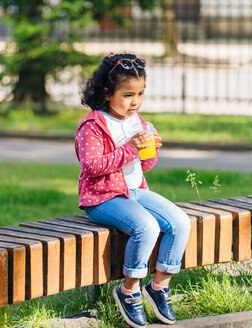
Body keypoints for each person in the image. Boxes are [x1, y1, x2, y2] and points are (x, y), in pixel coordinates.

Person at [75, 53, 191, 327]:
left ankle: (159, 286)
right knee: (147, 227)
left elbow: (144, 165)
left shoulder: (137, 121)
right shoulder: (92, 125)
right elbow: (91, 167)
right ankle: (129, 290)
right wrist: (129, 150)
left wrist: (151, 149)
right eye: (128, 95)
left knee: (180, 222)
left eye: (140, 94)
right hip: (102, 197)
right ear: (106, 93)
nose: (135, 101)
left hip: (134, 190)